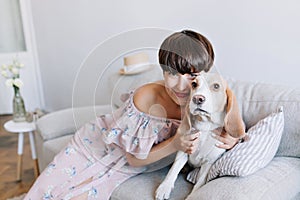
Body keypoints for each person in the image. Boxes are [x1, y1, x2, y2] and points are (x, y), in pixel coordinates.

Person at [24, 30, 238, 200]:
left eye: (191, 75)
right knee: (46, 191)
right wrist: (175, 144)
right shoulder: (146, 96)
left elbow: (233, 123)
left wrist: (232, 137)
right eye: (172, 73)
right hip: (97, 145)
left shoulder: (208, 99)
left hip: (122, 165)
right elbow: (133, 158)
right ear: (163, 72)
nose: (181, 86)